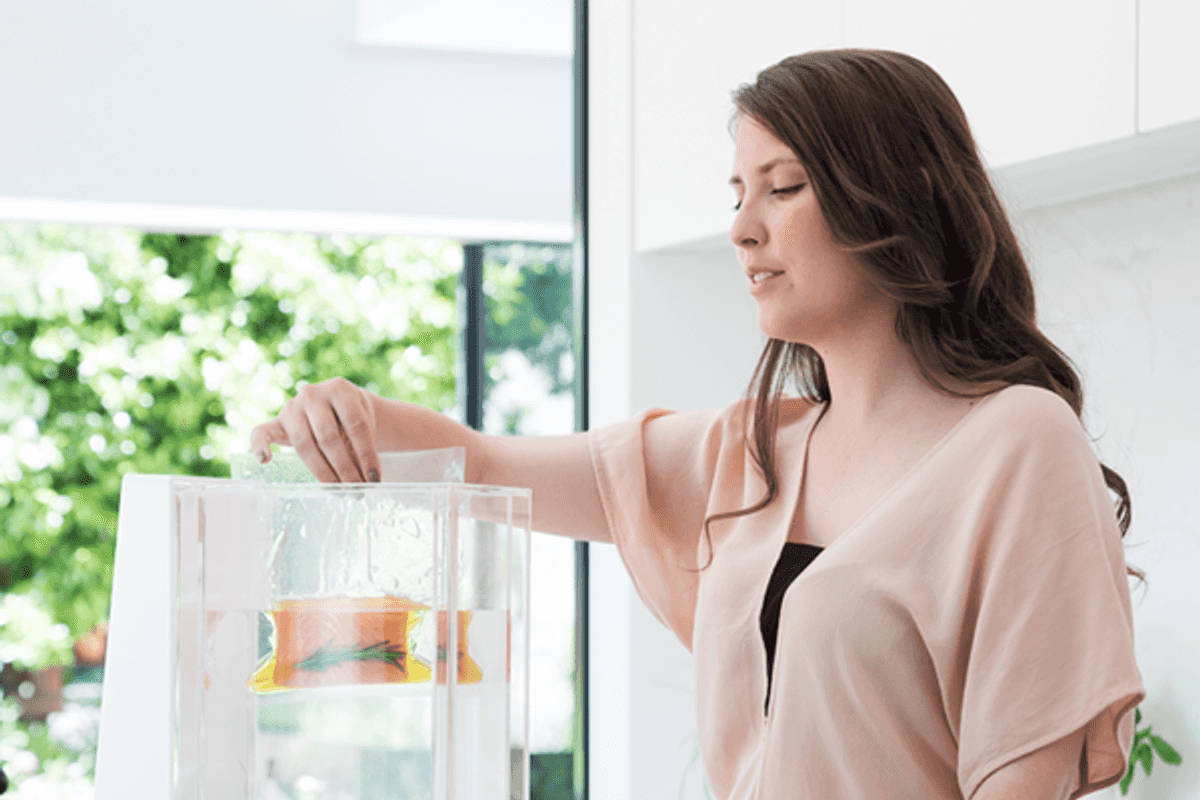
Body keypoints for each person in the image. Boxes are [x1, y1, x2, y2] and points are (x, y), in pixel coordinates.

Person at [250, 49, 1145, 800]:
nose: (743, 230)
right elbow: (479, 463)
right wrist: (349, 415)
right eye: (736, 195)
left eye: (783, 187)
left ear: (895, 202)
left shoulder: (1017, 444)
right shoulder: (747, 453)